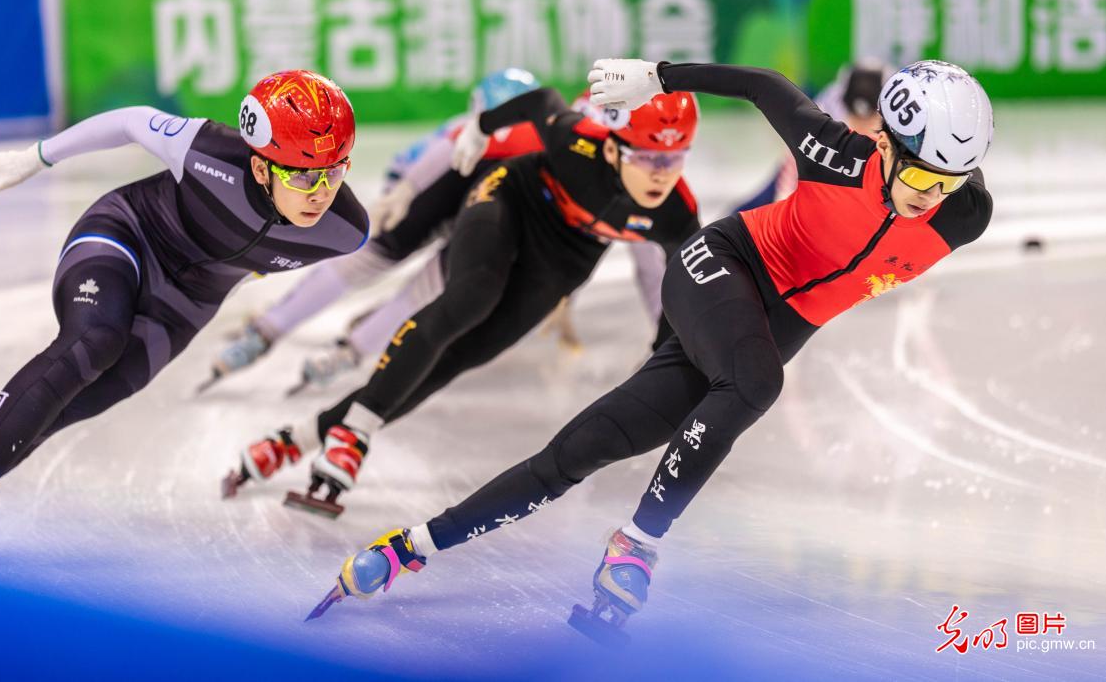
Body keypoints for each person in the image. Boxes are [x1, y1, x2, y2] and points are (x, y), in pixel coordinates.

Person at [307, 59, 994, 639]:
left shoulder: (966, 213)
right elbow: (762, 86)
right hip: (720, 266)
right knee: (754, 385)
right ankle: (635, 546)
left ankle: (410, 546)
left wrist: (947, 188)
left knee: (575, 453)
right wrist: (657, 79)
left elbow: (940, 195)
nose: (930, 198)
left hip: (768, 327)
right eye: (921, 178)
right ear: (884, 147)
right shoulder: (834, 151)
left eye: (949, 182)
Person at [0, 70, 368, 572]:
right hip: (127, 233)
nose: (321, 192)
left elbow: (262, 260)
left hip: (186, 302)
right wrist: (36, 157)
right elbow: (132, 121)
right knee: (95, 341)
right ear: (261, 167)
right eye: (304, 176)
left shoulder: (343, 231)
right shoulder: (207, 151)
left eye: (336, 171)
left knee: (70, 405)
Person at [231, 86, 703, 516]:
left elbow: (675, 290)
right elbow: (540, 102)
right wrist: (479, 128)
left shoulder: (678, 214)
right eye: (648, 159)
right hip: (512, 199)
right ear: (611, 148)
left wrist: (660, 358)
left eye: (675, 159)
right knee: (469, 299)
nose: (661, 174)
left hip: (567, 254)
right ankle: (354, 434)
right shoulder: (575, 143)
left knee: (465, 355)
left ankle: (301, 438)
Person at [204, 69, 543, 392]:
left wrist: (400, 192)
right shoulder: (539, 139)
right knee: (425, 289)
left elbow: (414, 160)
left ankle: (270, 331)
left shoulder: (463, 130)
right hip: (475, 209)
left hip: (443, 198)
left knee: (368, 265)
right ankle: (347, 351)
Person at [733, 59, 892, 213]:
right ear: (844, 106)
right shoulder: (824, 112)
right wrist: (783, 200)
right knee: (756, 210)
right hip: (815, 164)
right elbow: (794, 157)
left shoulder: (895, 118)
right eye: (856, 119)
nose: (861, 127)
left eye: (869, 119)